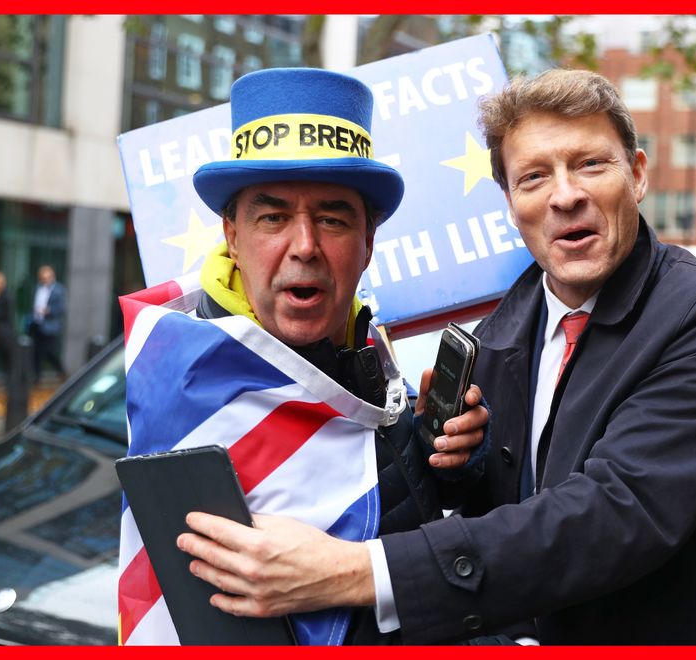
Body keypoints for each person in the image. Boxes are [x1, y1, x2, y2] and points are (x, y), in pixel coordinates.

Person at [178, 68, 696, 645]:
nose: (565, 196)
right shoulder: (500, 330)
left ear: (636, 174)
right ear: (509, 201)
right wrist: (455, 462)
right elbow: (506, 512)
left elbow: (614, 515)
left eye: (589, 165)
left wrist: (351, 571)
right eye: (533, 177)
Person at [160, 67, 488, 645]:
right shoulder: (184, 388)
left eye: (333, 219)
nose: (305, 246)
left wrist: (450, 462)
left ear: (368, 244)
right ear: (231, 236)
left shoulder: (368, 362)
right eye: (274, 218)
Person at [29, 264, 66, 380]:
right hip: (37, 323)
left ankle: (60, 370)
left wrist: (48, 310)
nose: (44, 279)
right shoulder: (37, 288)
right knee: (36, 351)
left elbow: (61, 308)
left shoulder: (59, 290)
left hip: (50, 326)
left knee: (48, 351)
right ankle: (37, 377)